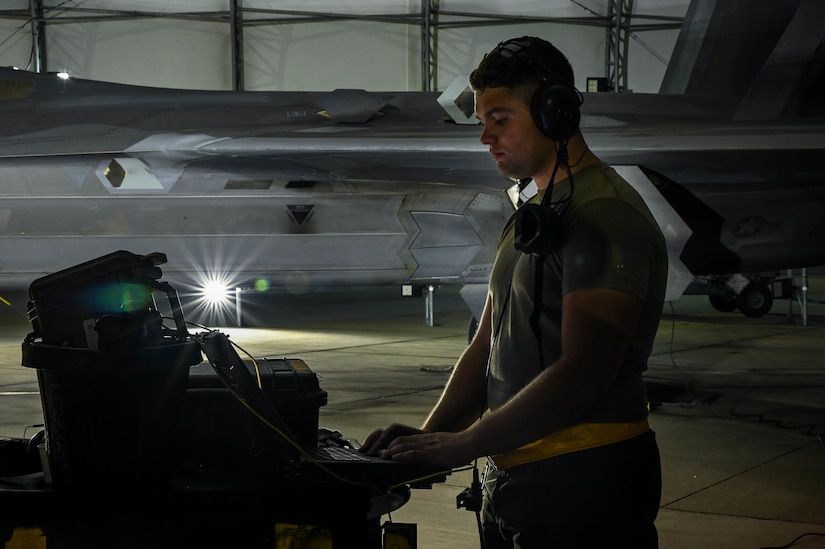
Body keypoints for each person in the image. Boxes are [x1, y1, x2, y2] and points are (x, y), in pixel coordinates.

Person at [361, 36, 667, 548]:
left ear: (555, 114)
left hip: (584, 485)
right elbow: (486, 348)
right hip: (518, 482)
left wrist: (462, 445)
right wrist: (426, 441)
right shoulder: (535, 212)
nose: (485, 137)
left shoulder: (603, 214)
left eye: (500, 119)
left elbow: (584, 372)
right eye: (482, 121)